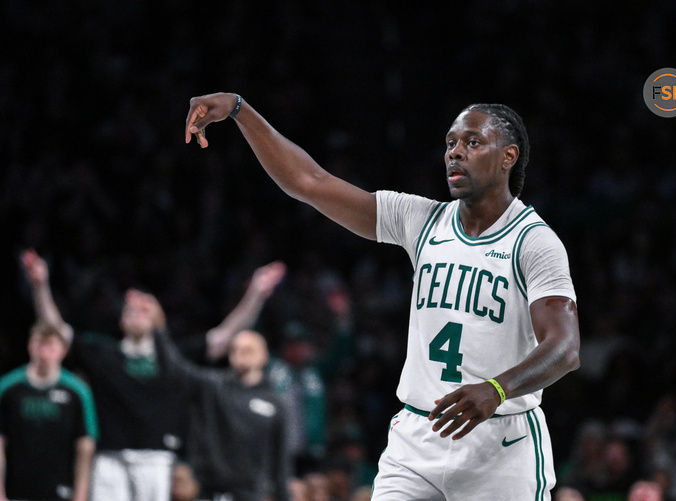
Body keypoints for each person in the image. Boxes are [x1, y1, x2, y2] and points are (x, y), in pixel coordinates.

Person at [184, 93, 580, 500]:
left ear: (508, 156)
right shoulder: (421, 220)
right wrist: (239, 110)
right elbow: (309, 182)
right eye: (450, 143)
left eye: (473, 142)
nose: (456, 153)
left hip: (500, 444)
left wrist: (496, 389)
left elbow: (565, 348)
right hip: (417, 436)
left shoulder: (534, 242)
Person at [20, 249, 285, 501]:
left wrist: (256, 294)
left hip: (157, 458)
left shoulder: (173, 359)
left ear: (158, 318)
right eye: (131, 311)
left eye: (144, 310)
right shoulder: (103, 354)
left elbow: (224, 337)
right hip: (110, 457)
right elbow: (56, 332)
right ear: (121, 320)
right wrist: (40, 285)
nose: (137, 314)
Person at [143, 286, 289, 501]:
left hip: (251, 495)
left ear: (264, 356)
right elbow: (174, 369)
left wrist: (282, 496)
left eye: (249, 350)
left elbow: (281, 461)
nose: (241, 355)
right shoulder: (213, 386)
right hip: (209, 492)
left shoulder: (275, 403)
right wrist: (158, 329)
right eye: (235, 349)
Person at [0, 322, 97, 501]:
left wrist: (81, 495)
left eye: (50, 345)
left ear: (63, 350)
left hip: (61, 489)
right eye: (39, 344)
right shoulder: (7, 388)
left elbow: (85, 445)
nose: (44, 352)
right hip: (16, 489)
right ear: (30, 345)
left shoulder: (77, 391)